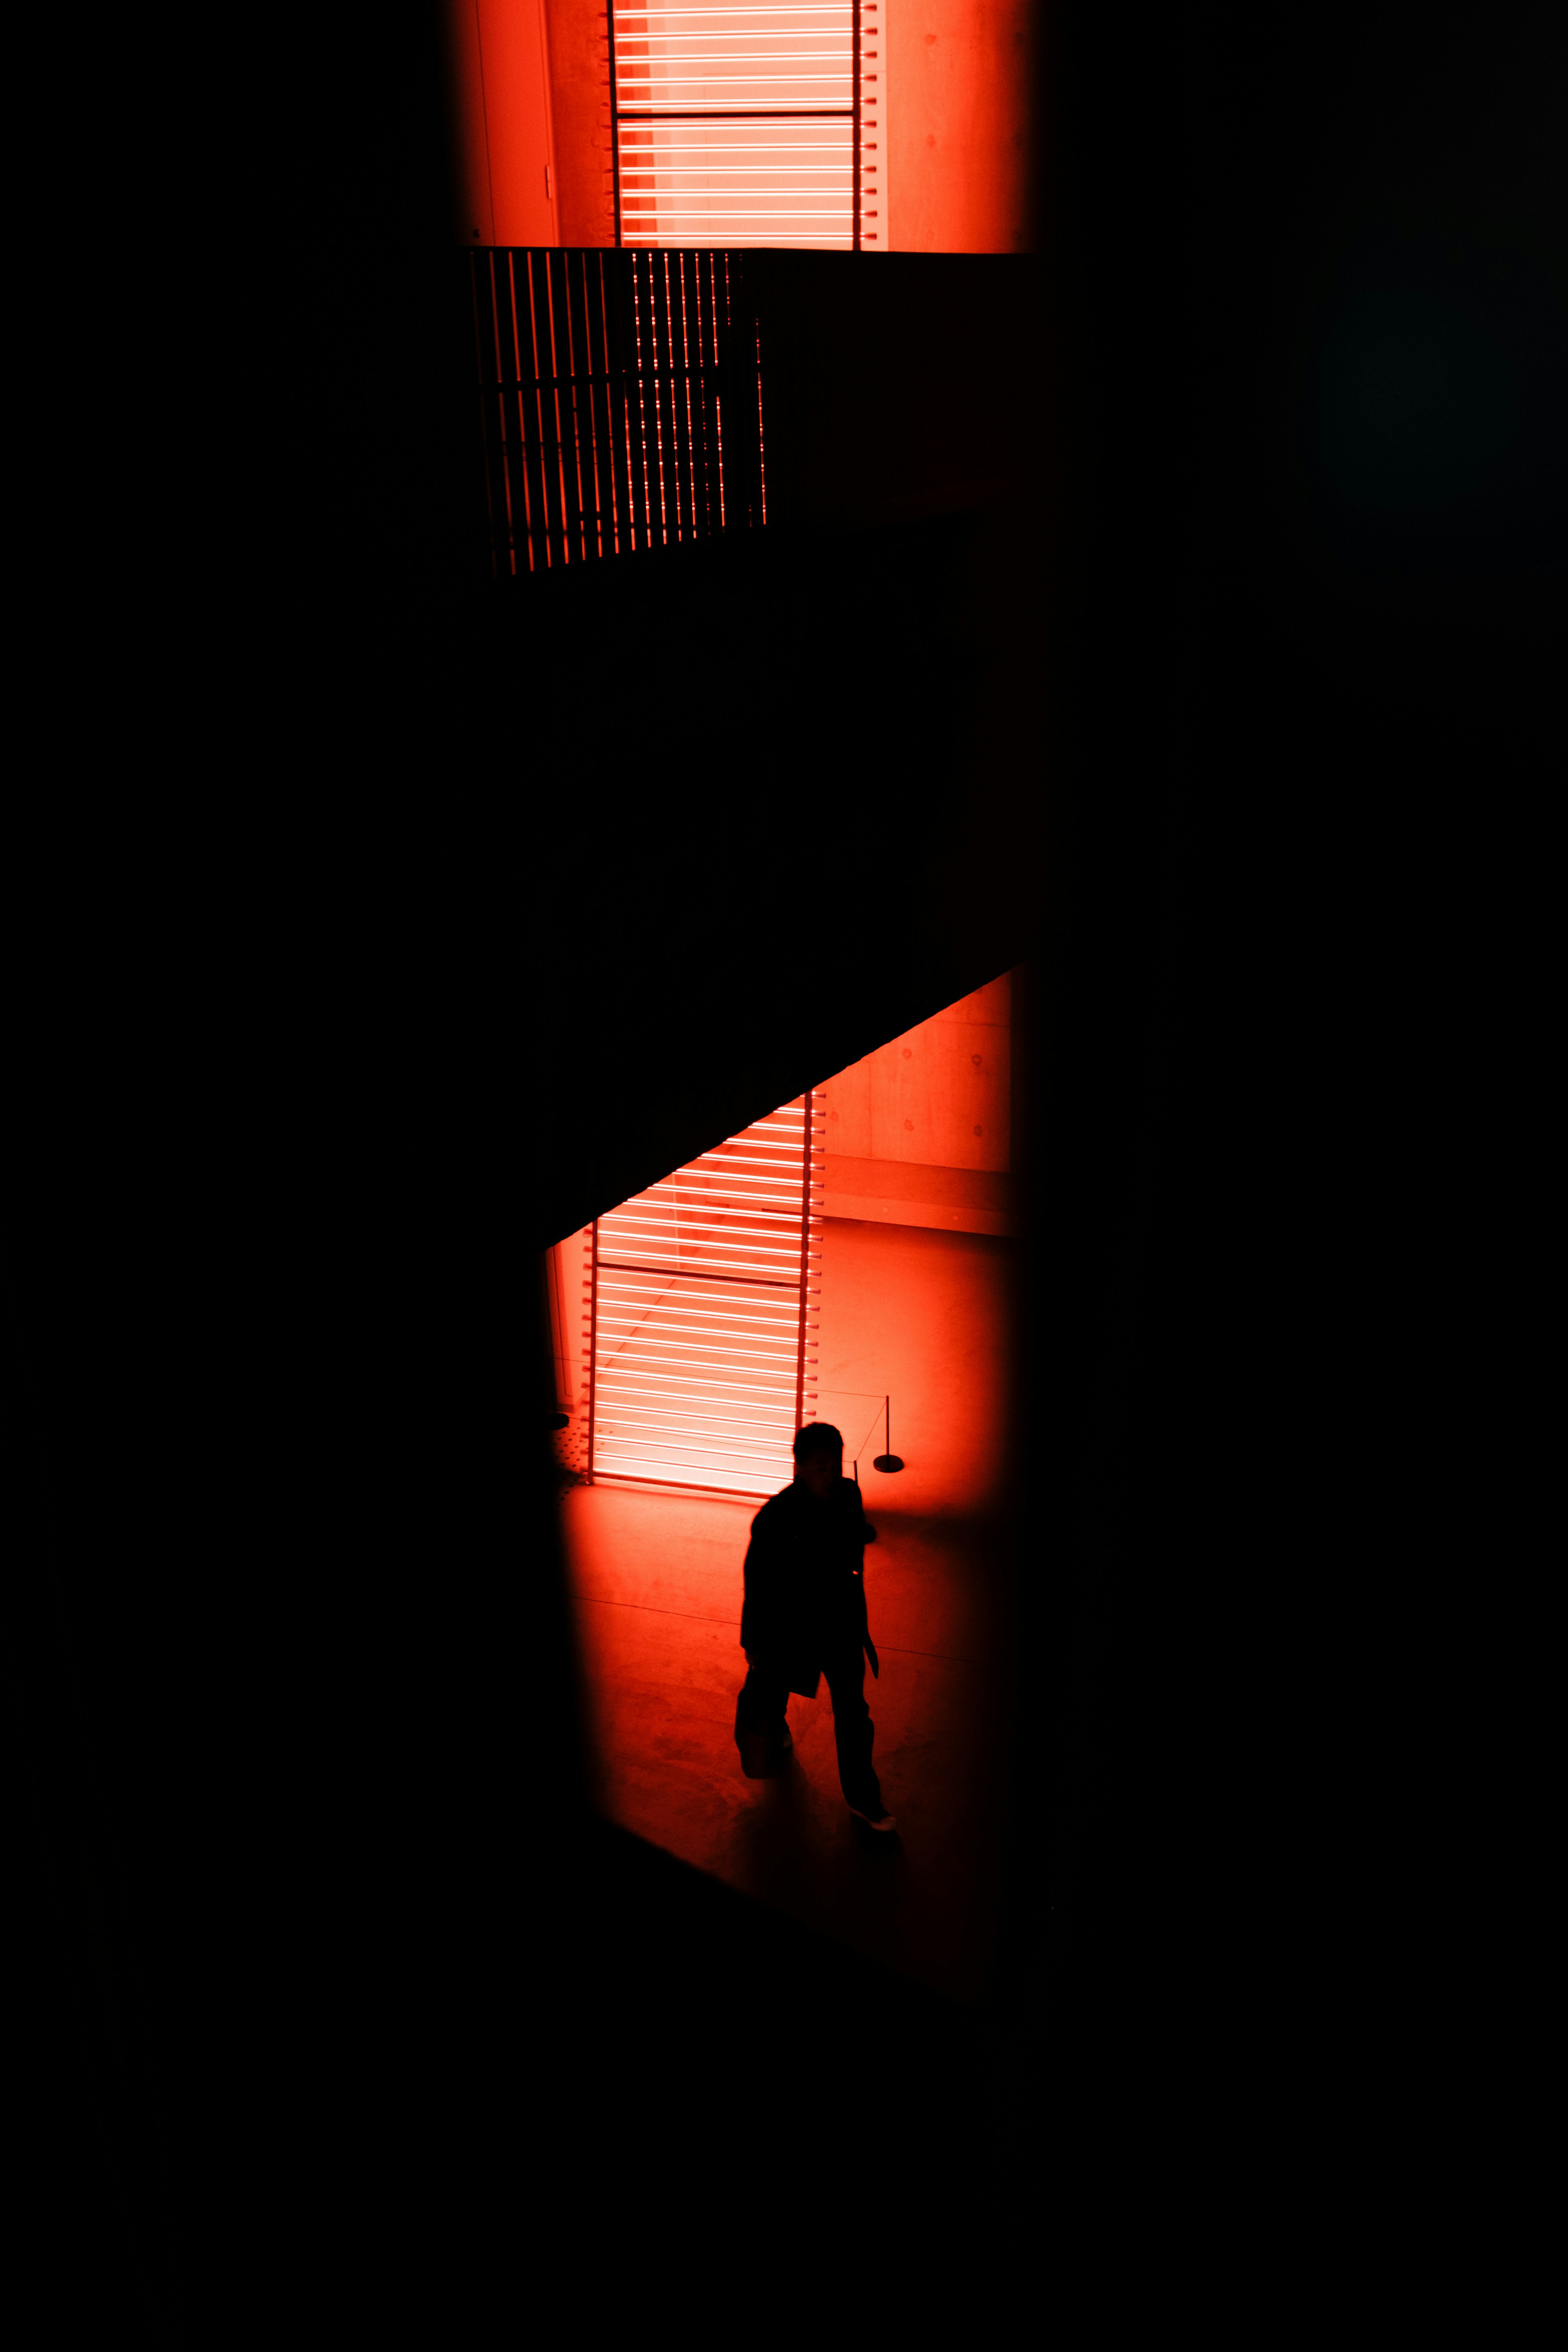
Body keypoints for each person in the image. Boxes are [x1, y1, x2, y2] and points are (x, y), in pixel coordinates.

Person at [734, 1422, 896, 1831]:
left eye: (835, 1465)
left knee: (853, 1714)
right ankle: (780, 1730)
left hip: (840, 1627)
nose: (831, 1474)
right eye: (821, 1466)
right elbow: (757, 1582)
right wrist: (754, 1641)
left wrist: (861, 1534)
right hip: (793, 1631)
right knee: (777, 1689)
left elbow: (852, 1536)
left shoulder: (847, 1494)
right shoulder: (775, 1519)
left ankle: (864, 1800)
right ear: (801, 1467)